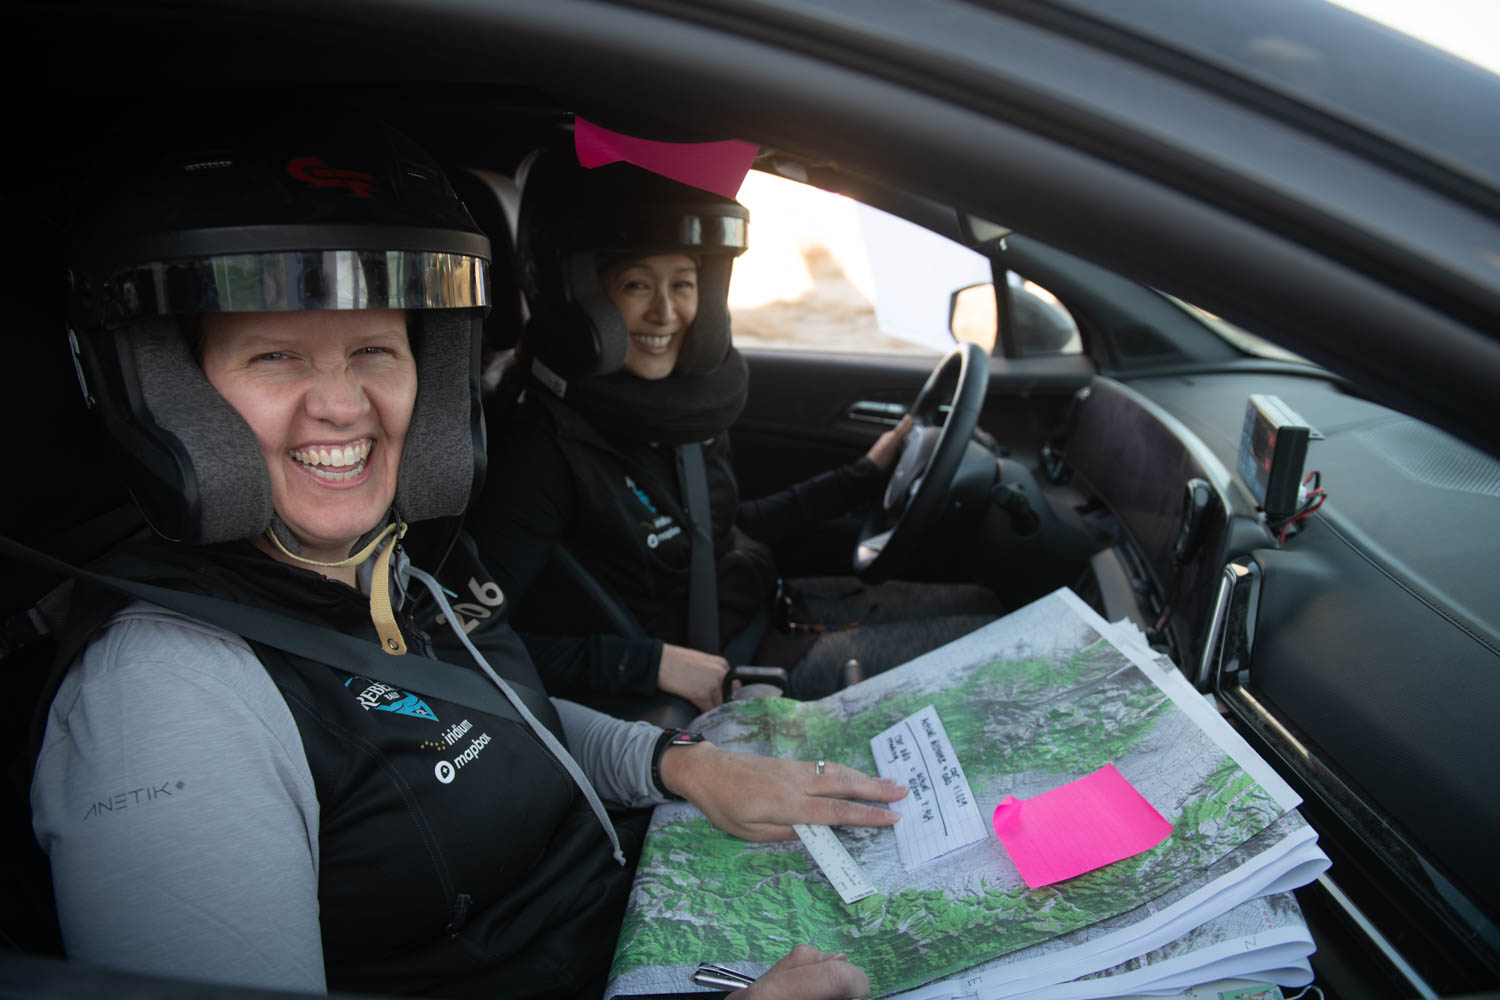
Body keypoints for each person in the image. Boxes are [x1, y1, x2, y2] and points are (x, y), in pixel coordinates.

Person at [30, 113, 900, 1000]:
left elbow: (511, 719)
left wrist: (676, 761)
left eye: (374, 350)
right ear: (178, 401)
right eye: (276, 356)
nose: (342, 405)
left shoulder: (395, 568)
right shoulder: (165, 698)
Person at [470, 142, 1005, 709]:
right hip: (726, 678)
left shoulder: (672, 410)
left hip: (765, 611)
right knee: (993, 640)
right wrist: (645, 664)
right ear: (580, 299)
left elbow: (721, 532)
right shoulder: (540, 452)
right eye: (635, 285)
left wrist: (865, 475)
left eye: (683, 283)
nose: (666, 313)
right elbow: (467, 640)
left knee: (988, 603)